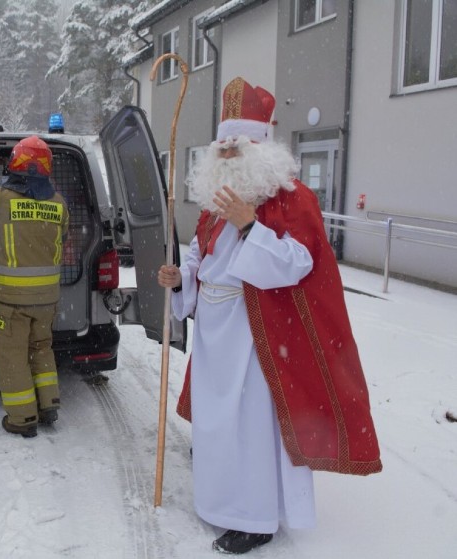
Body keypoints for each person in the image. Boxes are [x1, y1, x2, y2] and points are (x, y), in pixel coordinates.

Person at [157, 77, 382, 554]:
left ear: (260, 146)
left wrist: (249, 225)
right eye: (223, 148)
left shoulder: (292, 197)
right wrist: (182, 278)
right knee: (219, 422)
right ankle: (220, 499)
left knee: (252, 427)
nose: (228, 157)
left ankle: (255, 518)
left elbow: (298, 263)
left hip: (260, 335)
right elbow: (202, 253)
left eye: (237, 148)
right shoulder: (216, 199)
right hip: (216, 333)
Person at [0, 136, 69, 438]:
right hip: (47, 298)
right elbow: (61, 241)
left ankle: (23, 418)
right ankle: (49, 404)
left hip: (11, 299)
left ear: (16, 163)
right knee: (41, 348)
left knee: (12, 355)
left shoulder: (2, 196)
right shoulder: (59, 204)